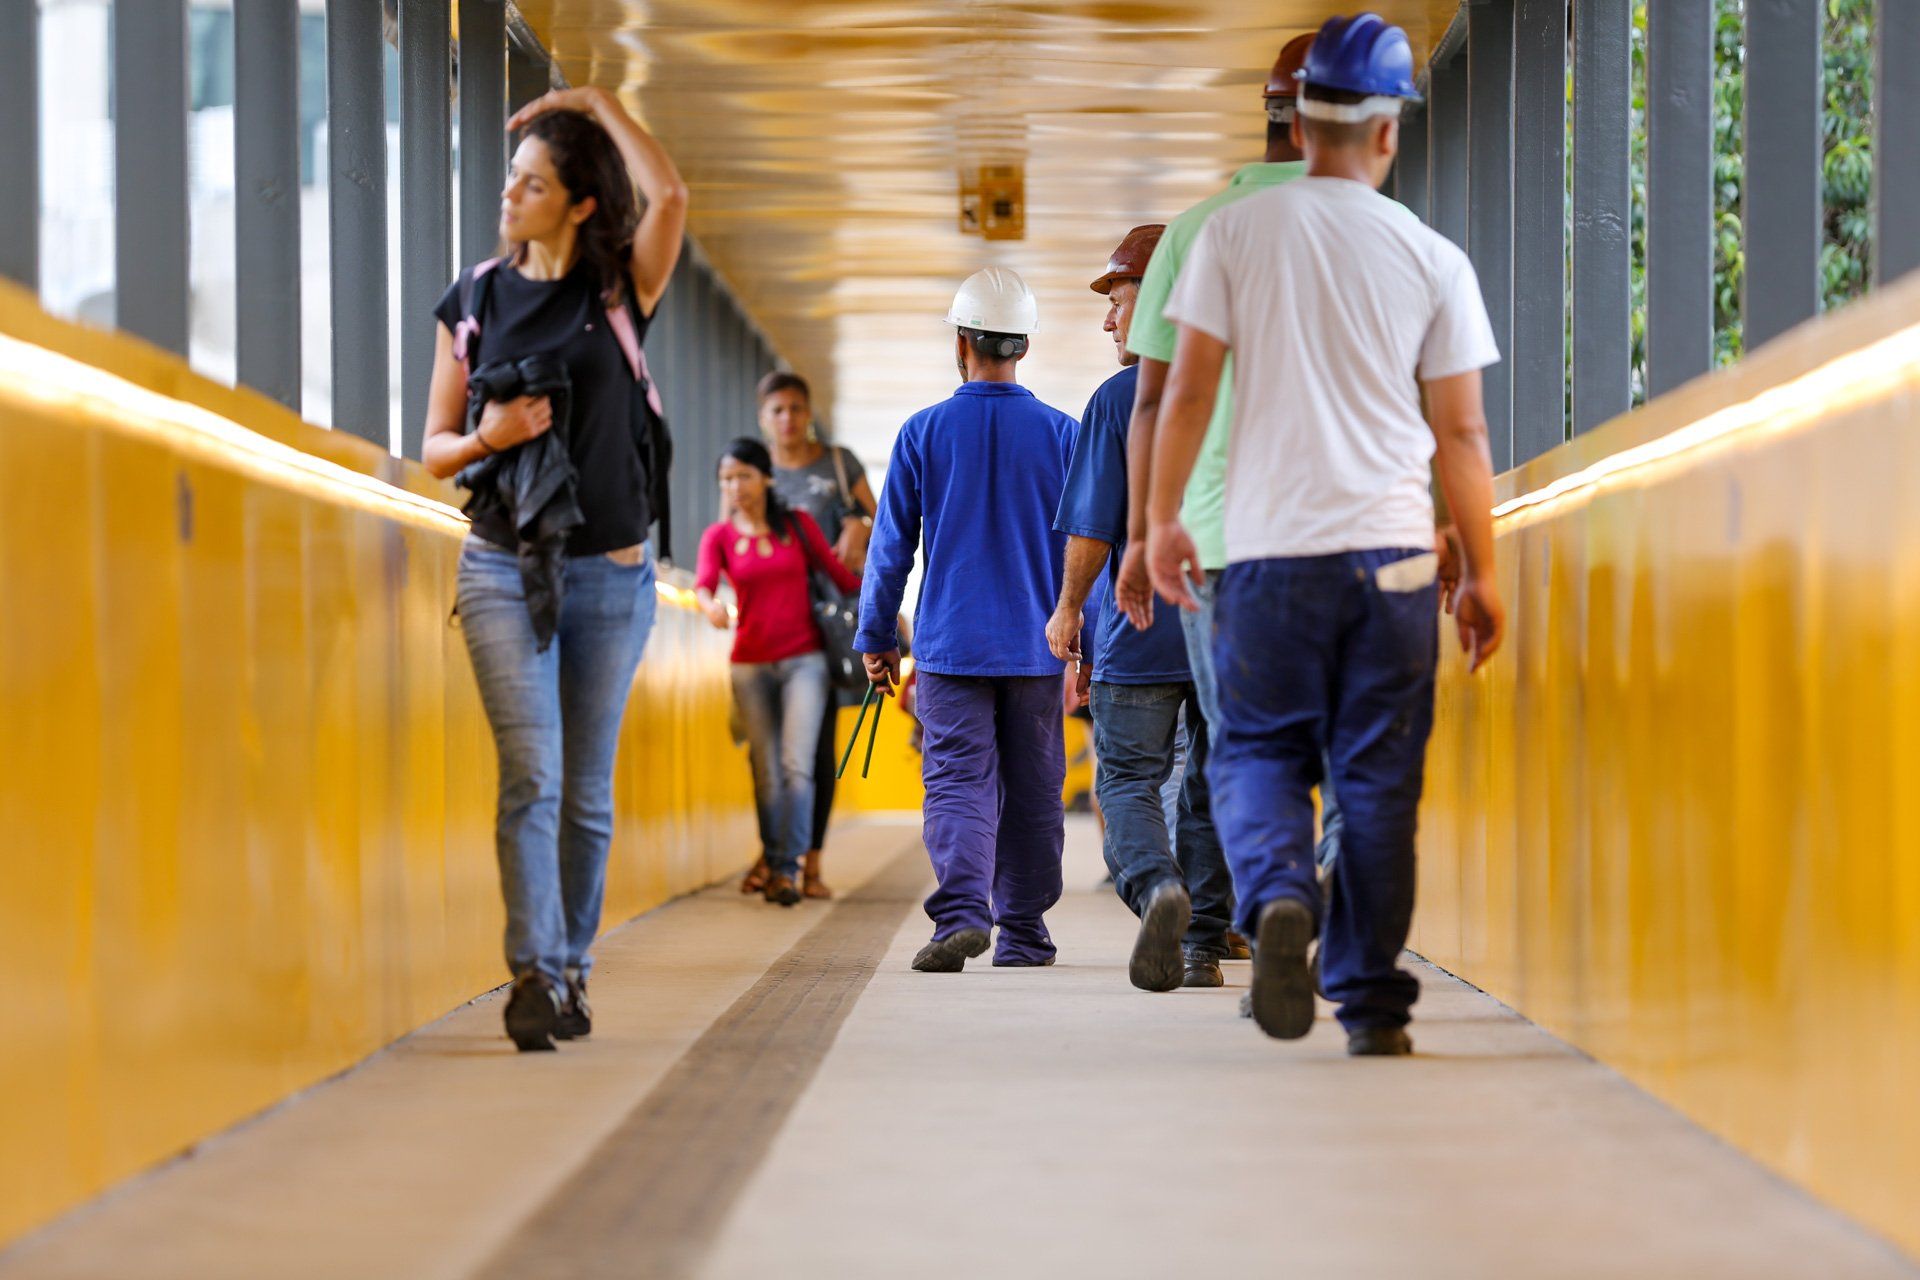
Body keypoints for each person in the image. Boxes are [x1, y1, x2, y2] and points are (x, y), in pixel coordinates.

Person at [1144, 13, 1504, 1056]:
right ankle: (1373, 1006)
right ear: (1389, 133)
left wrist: (1163, 519)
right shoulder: (1433, 256)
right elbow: (1464, 432)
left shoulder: (1233, 235)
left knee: (1255, 750)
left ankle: (1277, 896)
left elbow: (1188, 391)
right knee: (1378, 784)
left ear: (1299, 127)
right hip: (1393, 558)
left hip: (1265, 555)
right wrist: (1479, 570)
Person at [420, 88, 688, 1051]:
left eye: (532, 182)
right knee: (531, 772)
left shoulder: (616, 294)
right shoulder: (477, 297)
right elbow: (435, 446)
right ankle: (534, 971)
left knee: (585, 789)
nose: (509, 194)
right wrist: (489, 433)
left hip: (612, 579)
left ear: (577, 203)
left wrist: (598, 102)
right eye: (511, 178)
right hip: (502, 565)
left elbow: (670, 198)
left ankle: (571, 966)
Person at [1111, 34, 1348, 891]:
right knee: (1346, 746)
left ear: (1272, 114)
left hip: (1220, 539)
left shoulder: (1196, 233)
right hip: (1348, 531)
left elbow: (1154, 401)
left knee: (1245, 744)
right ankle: (1333, 897)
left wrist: (1144, 533)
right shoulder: (1387, 230)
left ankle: (1274, 899)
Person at [855, 268, 1079, 972]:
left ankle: (960, 914)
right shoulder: (1065, 435)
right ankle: (1023, 931)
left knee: (956, 780)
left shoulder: (922, 432)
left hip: (950, 646)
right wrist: (1091, 643)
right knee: (1036, 785)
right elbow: (1091, 547)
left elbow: (889, 548)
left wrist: (875, 637)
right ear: (1024, 346)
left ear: (961, 343)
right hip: (1039, 649)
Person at [1048, 225, 1235, 993]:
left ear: (1154, 297)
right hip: (1225, 620)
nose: (1107, 320)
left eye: (1116, 300)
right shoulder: (1234, 385)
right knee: (1216, 778)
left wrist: (1067, 610)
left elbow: (1093, 526)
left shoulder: (1120, 398)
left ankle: (1156, 886)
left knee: (1125, 776)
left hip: (1139, 624)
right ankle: (1202, 944)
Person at [696, 438, 863, 908]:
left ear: (766, 478)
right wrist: (710, 607)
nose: (735, 487)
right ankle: (773, 859)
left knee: (795, 765)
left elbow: (841, 576)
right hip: (749, 664)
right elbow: (705, 585)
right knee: (765, 770)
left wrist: (887, 602)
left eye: (744, 476)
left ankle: (787, 869)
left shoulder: (798, 526)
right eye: (727, 479)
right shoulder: (720, 537)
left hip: (804, 661)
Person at [735, 370, 877, 900]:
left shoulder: (837, 464)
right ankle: (777, 857)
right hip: (766, 630)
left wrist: (858, 528)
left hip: (825, 630)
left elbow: (880, 521)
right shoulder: (753, 472)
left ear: (808, 412)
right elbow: (731, 540)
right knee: (767, 755)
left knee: (815, 752)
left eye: (797, 408)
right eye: (777, 410)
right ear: (762, 417)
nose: (788, 419)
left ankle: (808, 862)